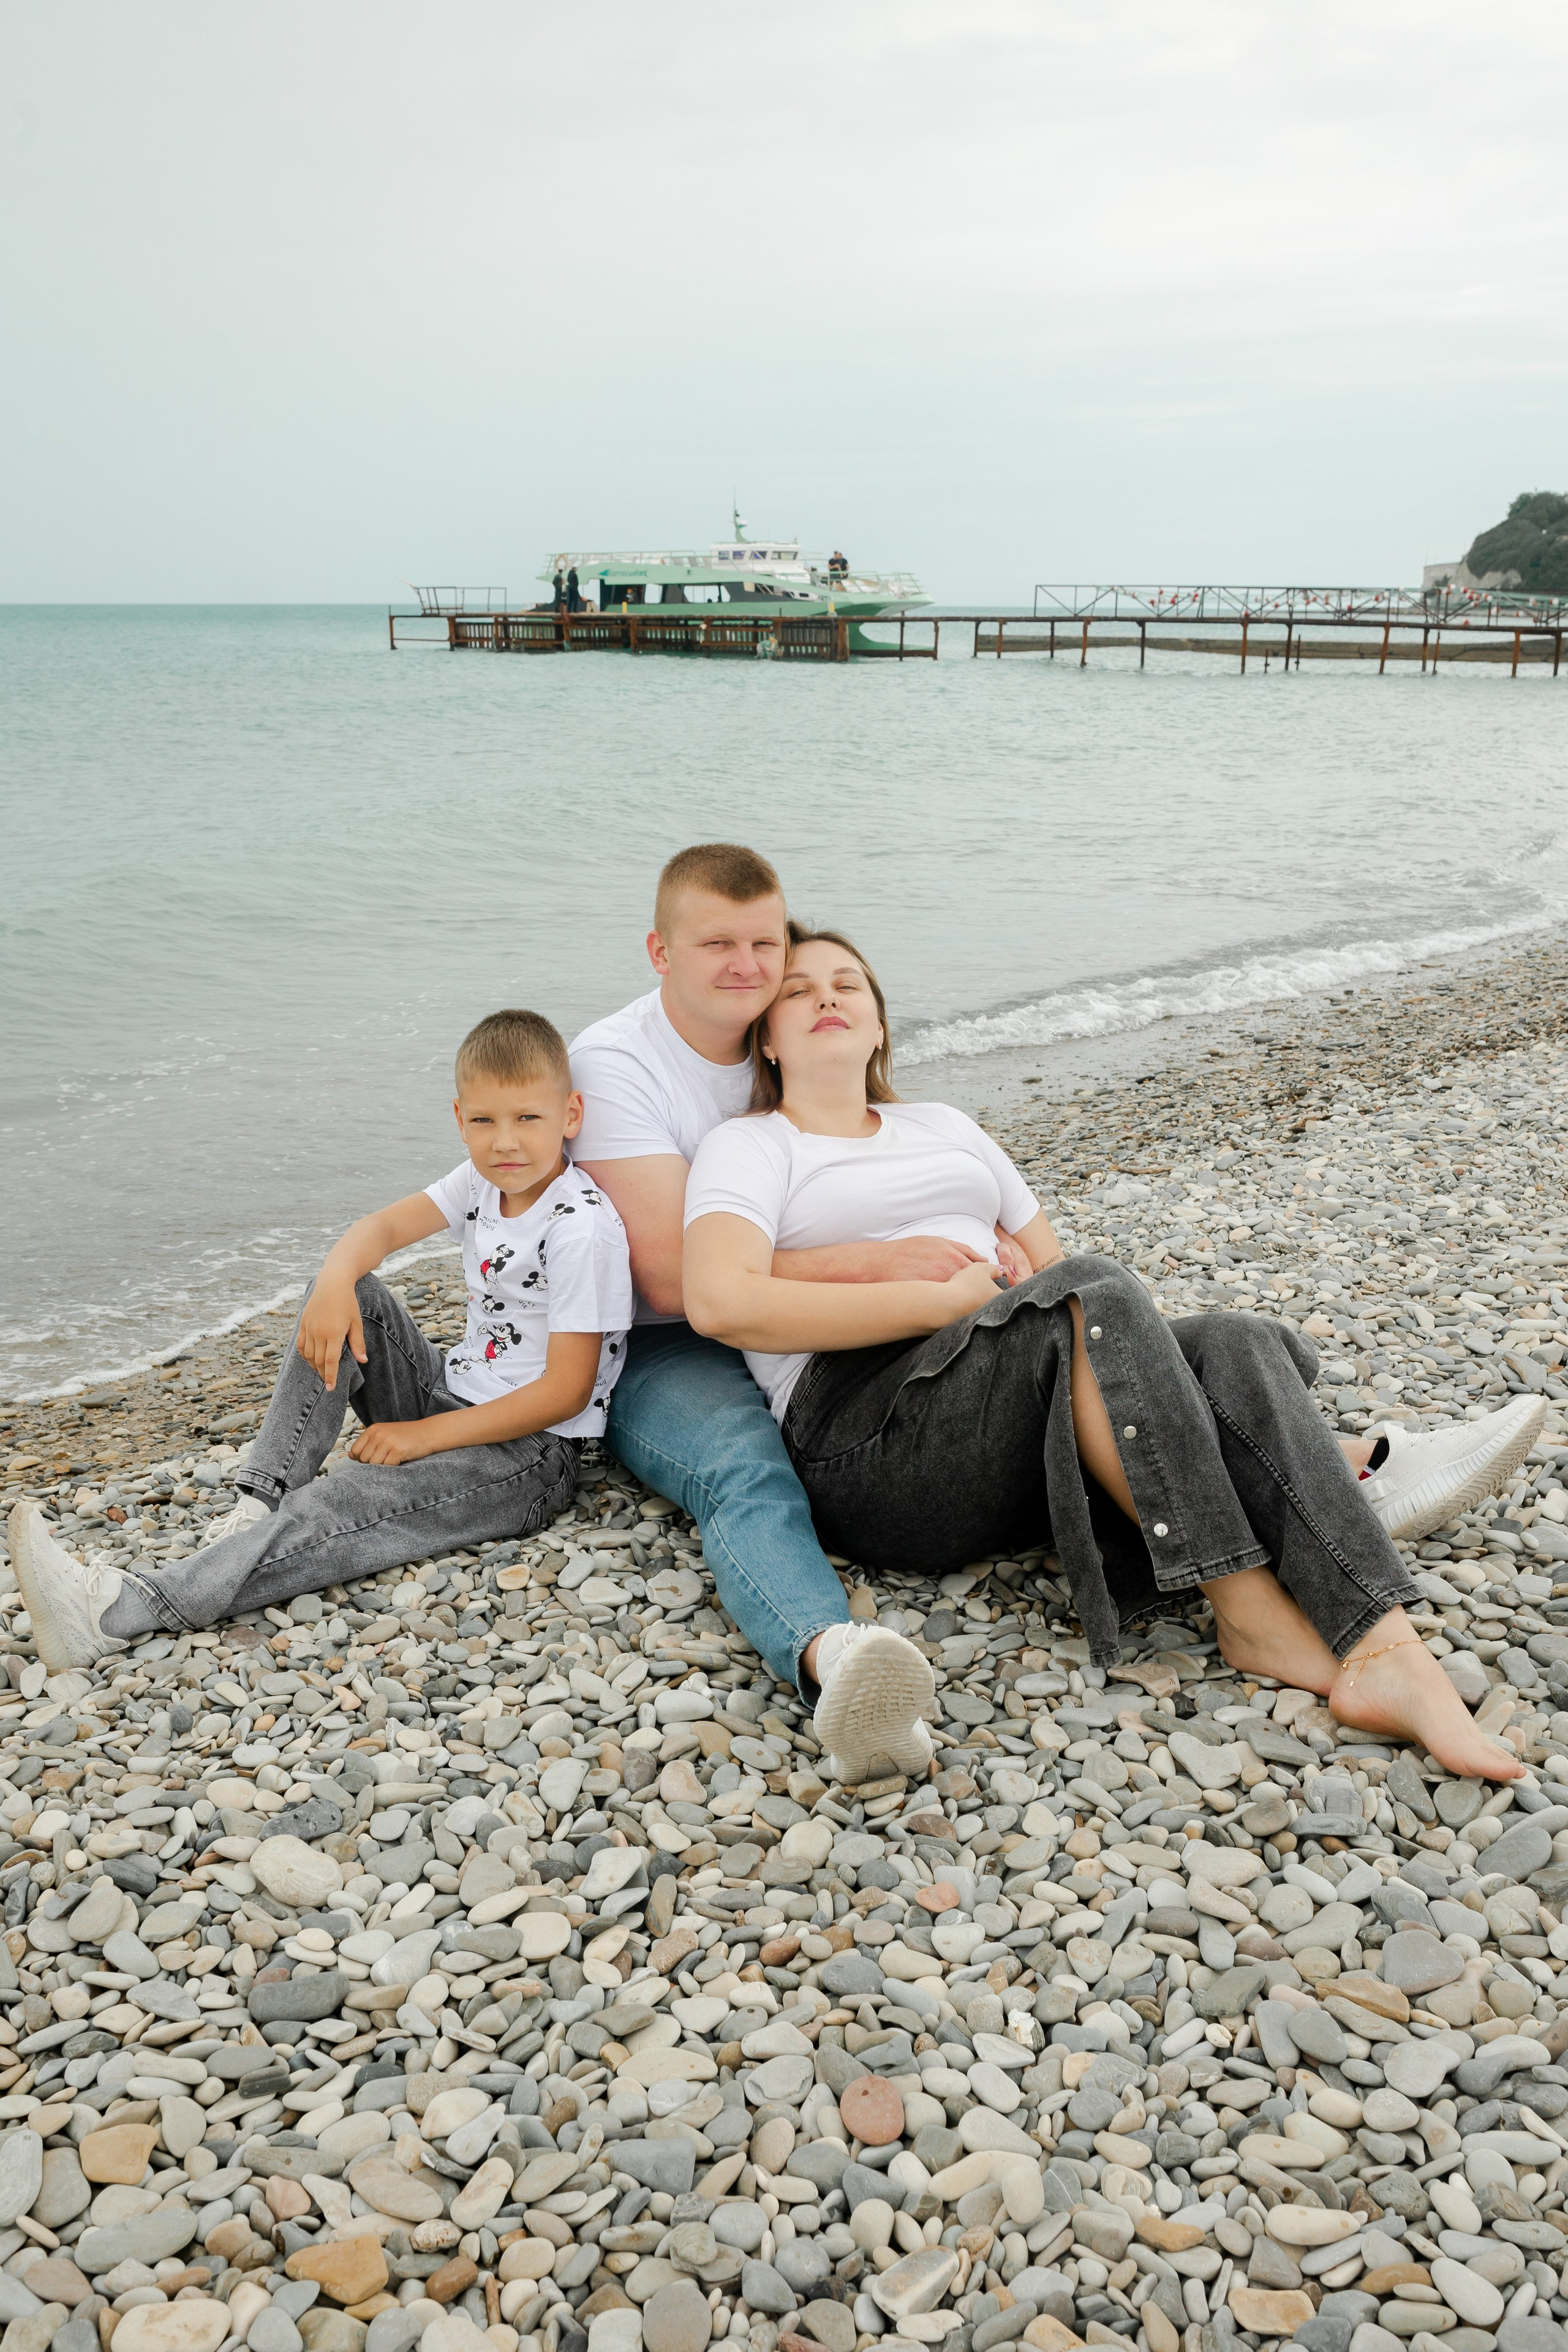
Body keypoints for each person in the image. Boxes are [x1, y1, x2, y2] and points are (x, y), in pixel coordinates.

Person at [572, 846, 1541, 1782]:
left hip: (1012, 1401)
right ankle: (1251, 1594)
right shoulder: (750, 1147)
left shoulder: (948, 1128)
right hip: (868, 1435)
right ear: (768, 1041)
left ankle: (1387, 1647)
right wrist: (931, 1296)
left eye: (849, 986)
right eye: (800, 990)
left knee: (1238, 1342)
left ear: (878, 1028)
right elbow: (718, 1300)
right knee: (1096, 1291)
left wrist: (1175, 1391)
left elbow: (1061, 1274)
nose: (825, 996)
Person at [9, 1010, 633, 1670]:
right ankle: (258, 1505)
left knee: (347, 1500)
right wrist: (335, 1277)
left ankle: (115, 1613)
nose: (505, 1141)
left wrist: (422, 1439)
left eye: (527, 1119)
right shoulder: (481, 1182)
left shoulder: (579, 1229)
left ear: (570, 1115)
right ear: (459, 1117)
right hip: (447, 1394)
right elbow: (379, 1231)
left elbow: (565, 1393)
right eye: (484, 1121)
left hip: (524, 1456)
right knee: (348, 1295)